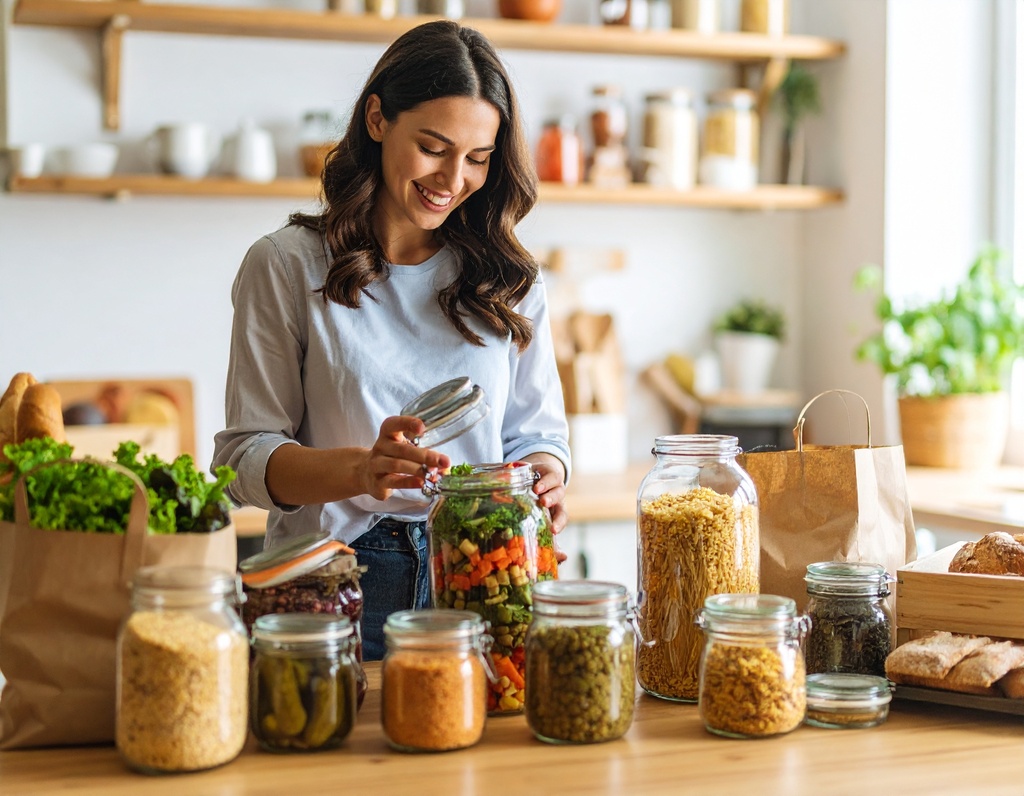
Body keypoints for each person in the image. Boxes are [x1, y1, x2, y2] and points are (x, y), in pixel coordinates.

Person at [212, 20, 571, 661]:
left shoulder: (509, 278)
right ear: (377, 119)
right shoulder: (285, 265)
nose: (453, 178)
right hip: (336, 582)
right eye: (433, 147)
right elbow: (244, 460)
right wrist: (361, 468)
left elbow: (535, 436)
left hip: (487, 574)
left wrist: (542, 482)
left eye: (479, 159)